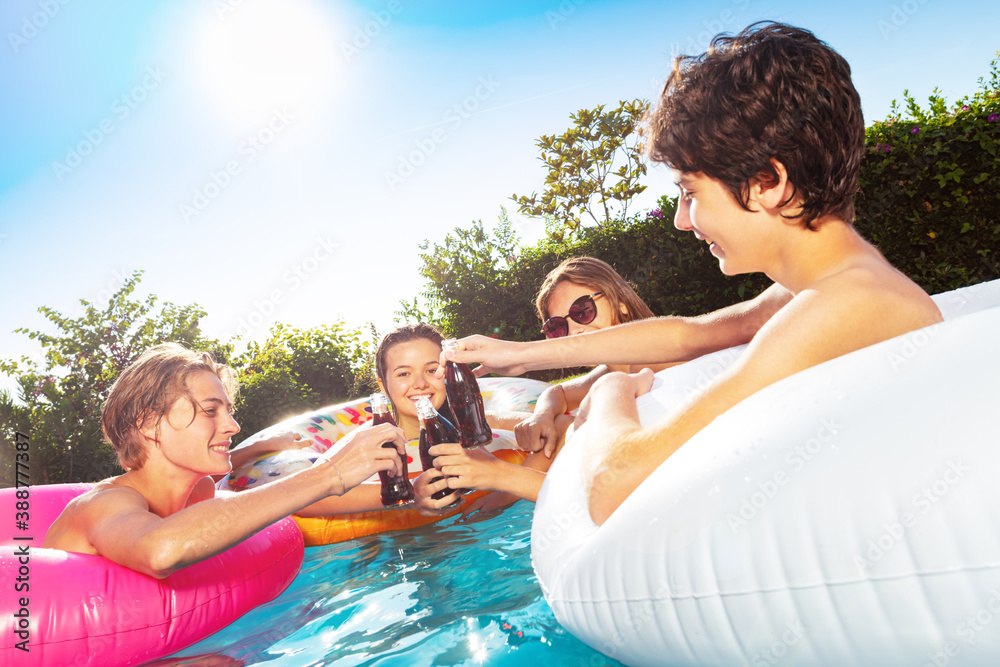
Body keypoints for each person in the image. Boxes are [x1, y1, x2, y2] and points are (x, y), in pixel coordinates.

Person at [441, 22, 942, 526]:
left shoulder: (845, 303)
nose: (682, 220)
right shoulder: (823, 285)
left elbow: (614, 485)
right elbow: (689, 335)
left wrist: (612, 393)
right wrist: (523, 356)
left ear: (767, 182)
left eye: (690, 193)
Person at [43, 343, 406, 577]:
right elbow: (160, 549)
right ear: (149, 424)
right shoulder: (104, 503)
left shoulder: (199, 489)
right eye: (210, 411)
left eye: (228, 411)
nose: (232, 425)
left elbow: (232, 483)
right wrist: (329, 472)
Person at [372, 324, 551, 518]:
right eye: (404, 374)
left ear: (448, 371)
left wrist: (505, 494)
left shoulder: (474, 425)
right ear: (383, 384)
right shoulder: (370, 445)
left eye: (432, 370)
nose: (420, 384)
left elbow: (554, 428)